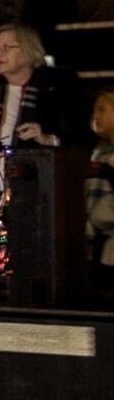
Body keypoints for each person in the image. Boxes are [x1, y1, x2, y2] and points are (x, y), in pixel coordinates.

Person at [0, 22, 74, 148]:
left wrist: (46, 138)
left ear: (29, 50)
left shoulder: (56, 89)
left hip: (33, 165)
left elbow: (78, 136)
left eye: (6, 48)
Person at [88, 88, 114, 269]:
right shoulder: (100, 152)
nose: (96, 116)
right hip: (98, 236)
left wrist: (98, 218)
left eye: (102, 110)